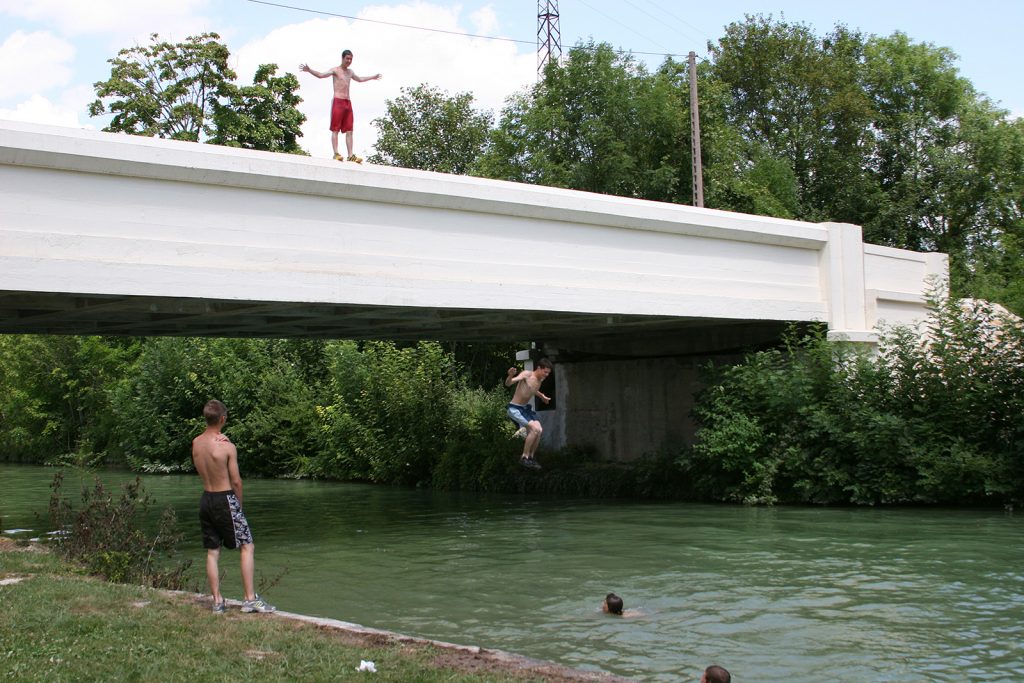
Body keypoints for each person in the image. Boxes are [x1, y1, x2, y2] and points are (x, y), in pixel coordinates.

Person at [192, 399, 275, 614]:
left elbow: (207, 455)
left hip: (206, 499)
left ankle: (217, 602)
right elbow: (236, 481)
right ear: (223, 419)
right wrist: (239, 505)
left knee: (213, 551)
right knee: (247, 545)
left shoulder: (196, 443)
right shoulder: (227, 446)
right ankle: (249, 599)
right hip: (224, 498)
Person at [299, 50, 381, 163]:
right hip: (338, 101)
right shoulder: (335, 70)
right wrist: (309, 70)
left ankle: (351, 155)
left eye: (351, 59)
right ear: (342, 58)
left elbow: (360, 79)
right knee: (335, 129)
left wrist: (373, 77)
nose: (349, 61)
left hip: (348, 102)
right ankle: (336, 153)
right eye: (347, 58)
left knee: (349, 130)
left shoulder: (350, 72)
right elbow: (321, 75)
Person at [505, 358, 552, 469]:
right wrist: (510, 375)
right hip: (515, 409)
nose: (546, 375)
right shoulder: (527, 374)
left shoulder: (540, 379)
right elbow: (508, 383)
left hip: (525, 409)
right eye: (545, 372)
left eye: (548, 373)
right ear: (539, 368)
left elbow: (533, 389)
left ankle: (531, 458)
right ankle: (524, 457)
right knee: (534, 429)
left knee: (539, 430)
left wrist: (542, 396)